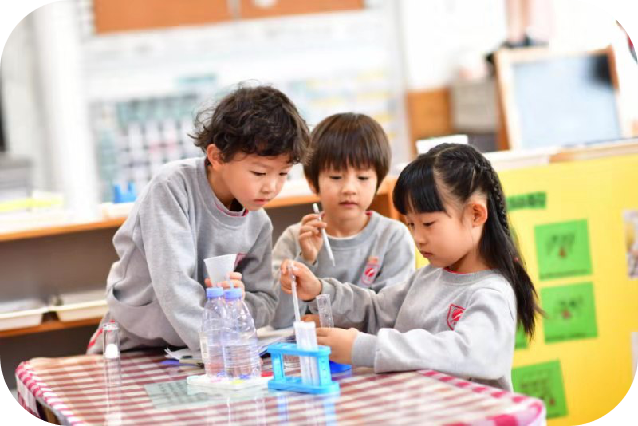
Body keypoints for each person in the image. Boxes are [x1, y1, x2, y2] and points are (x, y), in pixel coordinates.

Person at [280, 143, 541, 391]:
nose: (418, 238)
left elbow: (468, 353)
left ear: (476, 214)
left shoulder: (491, 292)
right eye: (411, 225)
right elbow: (376, 310)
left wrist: (364, 348)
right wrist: (320, 291)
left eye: (428, 224)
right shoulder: (428, 275)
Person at [87, 84, 310, 354]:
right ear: (217, 157)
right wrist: (219, 350)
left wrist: (238, 302)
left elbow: (265, 302)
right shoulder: (172, 188)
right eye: (259, 173)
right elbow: (174, 286)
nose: (271, 187)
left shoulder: (258, 222)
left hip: (195, 353)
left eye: (283, 174)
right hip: (133, 343)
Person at [271, 113, 415, 329]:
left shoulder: (393, 237)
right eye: (336, 177)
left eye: (363, 177)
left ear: (378, 182)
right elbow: (279, 321)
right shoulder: (294, 239)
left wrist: (328, 321)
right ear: (312, 182)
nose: (349, 188)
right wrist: (305, 259)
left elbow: (391, 317)